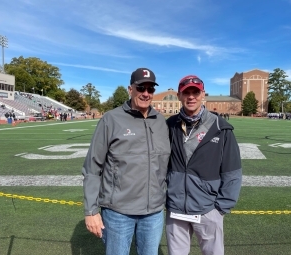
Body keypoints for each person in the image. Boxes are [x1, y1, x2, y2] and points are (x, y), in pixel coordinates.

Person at [82, 67, 170, 255]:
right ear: (131, 89)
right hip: (118, 213)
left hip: (153, 213)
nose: (146, 93)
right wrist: (91, 211)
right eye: (141, 88)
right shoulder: (111, 119)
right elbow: (92, 167)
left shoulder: (161, 122)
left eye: (150, 89)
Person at [165, 75, 242, 255]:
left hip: (207, 207)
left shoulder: (221, 128)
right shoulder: (169, 125)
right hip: (176, 208)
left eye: (195, 92)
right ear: (179, 96)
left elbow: (232, 171)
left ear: (203, 95)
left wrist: (221, 208)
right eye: (186, 93)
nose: (191, 97)